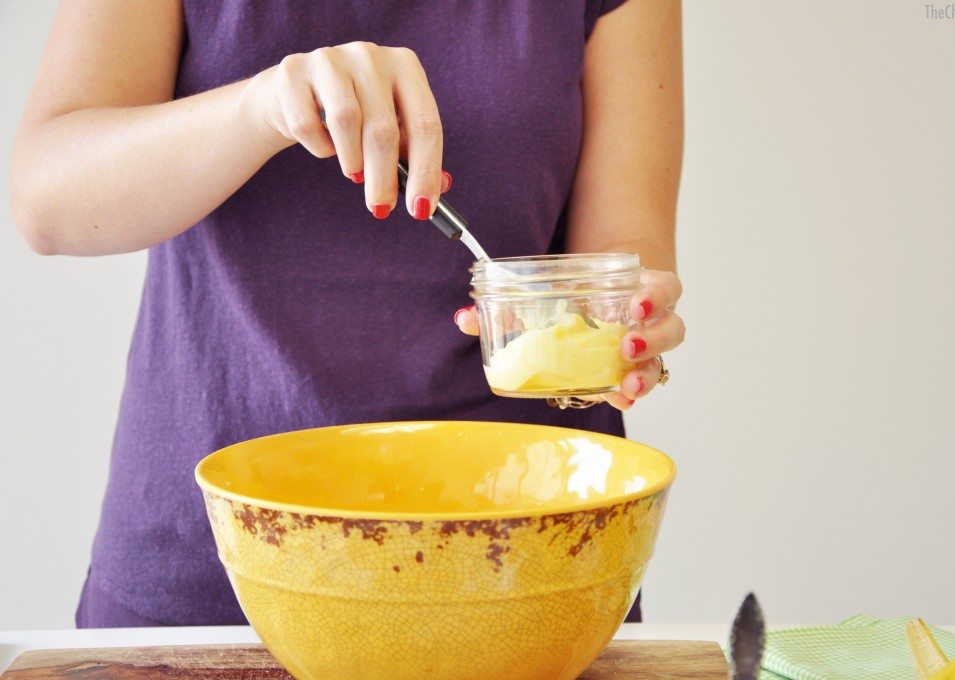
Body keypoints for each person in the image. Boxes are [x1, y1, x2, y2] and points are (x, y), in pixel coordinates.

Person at [11, 0, 684, 627]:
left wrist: (625, 326)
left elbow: (623, 250)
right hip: (215, 551)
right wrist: (262, 107)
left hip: (530, 558)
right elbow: (47, 201)